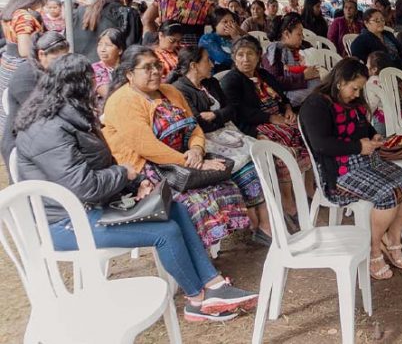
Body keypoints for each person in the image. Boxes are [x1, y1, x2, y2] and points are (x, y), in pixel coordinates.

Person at [16, 53, 257, 322]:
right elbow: (84, 185)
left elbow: (100, 165)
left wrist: (135, 182)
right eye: (92, 83)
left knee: (173, 207)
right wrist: (124, 174)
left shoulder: (71, 117)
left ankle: (214, 286)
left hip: (94, 208)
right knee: (166, 232)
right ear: (78, 87)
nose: (98, 88)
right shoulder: (48, 130)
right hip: (67, 223)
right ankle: (196, 301)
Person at [102, 46, 251, 246]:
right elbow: (146, 147)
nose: (155, 71)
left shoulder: (170, 91)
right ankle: (200, 259)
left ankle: (211, 251)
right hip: (147, 169)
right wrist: (190, 163)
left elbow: (194, 127)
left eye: (157, 65)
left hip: (184, 159)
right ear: (129, 74)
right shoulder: (121, 101)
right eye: (147, 68)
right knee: (194, 200)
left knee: (225, 183)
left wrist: (197, 150)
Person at [300, 58, 402, 280]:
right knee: (387, 194)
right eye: (354, 88)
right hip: (339, 171)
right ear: (339, 82)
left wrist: (373, 135)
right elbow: (321, 145)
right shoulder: (316, 105)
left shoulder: (351, 102)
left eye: (360, 89)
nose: (357, 94)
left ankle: (392, 239)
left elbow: (362, 125)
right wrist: (358, 146)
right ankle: (373, 250)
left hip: (365, 160)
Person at [169, 45, 274, 246]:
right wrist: (218, 117)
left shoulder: (211, 82)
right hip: (204, 141)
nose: (212, 63)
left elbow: (231, 110)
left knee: (263, 155)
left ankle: (264, 220)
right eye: (207, 60)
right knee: (248, 167)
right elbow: (197, 123)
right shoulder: (180, 90)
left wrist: (216, 115)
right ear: (194, 65)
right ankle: (260, 224)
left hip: (228, 133)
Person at [220, 36, 314, 216]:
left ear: (258, 56)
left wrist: (287, 109)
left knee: (307, 133)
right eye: (240, 55)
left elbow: (283, 97)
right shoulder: (231, 81)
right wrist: (270, 118)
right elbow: (237, 112)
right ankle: (287, 201)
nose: (245, 59)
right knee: (284, 146)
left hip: (278, 118)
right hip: (253, 125)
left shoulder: (264, 75)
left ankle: (307, 189)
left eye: (250, 54)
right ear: (234, 57)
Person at [1, 31, 70, 168]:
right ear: (41, 54)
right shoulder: (25, 75)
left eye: (64, 59)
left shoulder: (52, 71)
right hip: (21, 144)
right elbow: (42, 112)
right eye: (56, 59)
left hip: (41, 138)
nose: (61, 64)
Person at [0, 0, 48, 132]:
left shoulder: (10, 11)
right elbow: (24, 50)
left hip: (7, 64)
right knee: (24, 107)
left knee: (7, 107)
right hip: (22, 67)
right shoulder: (24, 17)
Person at [72, 0, 142, 62]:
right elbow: (132, 47)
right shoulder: (128, 13)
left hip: (80, 64)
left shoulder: (81, 11)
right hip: (110, 67)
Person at [261, 17, 321, 106]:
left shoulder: (300, 47)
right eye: (299, 34)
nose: (302, 37)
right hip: (285, 99)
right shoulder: (275, 51)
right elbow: (274, 82)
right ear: (286, 34)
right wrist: (304, 76)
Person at [199, 7, 245, 72]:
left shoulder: (235, 36)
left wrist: (236, 37)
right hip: (216, 75)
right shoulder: (207, 39)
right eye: (225, 22)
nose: (229, 24)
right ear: (215, 24)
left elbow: (252, 49)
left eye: (232, 21)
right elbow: (223, 59)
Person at [92, 28, 126, 111]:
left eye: (108, 45)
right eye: (100, 44)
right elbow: (107, 93)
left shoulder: (127, 67)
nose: (102, 49)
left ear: (120, 50)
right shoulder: (95, 69)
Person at [365, 51, 391, 136]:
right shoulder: (391, 77)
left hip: (383, 122)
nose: (366, 65)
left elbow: (372, 104)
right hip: (399, 117)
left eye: (367, 64)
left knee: (377, 141)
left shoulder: (373, 81)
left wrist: (366, 120)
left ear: (374, 69)